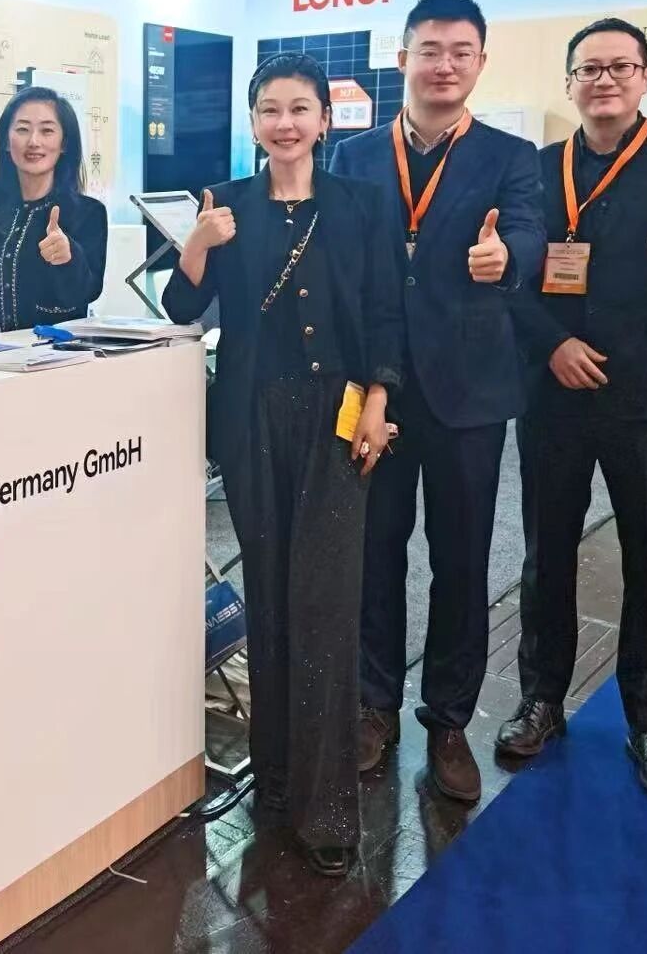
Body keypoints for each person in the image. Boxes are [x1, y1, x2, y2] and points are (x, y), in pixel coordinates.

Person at [163, 53, 404, 877]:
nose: (285, 123)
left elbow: (385, 310)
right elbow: (182, 306)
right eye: (270, 109)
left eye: (300, 108)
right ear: (254, 121)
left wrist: (379, 397)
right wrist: (198, 244)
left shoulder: (361, 203)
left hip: (335, 417)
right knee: (267, 596)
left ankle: (327, 808)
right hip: (251, 419)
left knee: (325, 603)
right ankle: (274, 783)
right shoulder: (224, 202)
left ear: (323, 120)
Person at [500, 17, 647, 800]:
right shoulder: (534, 170)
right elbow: (509, 278)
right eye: (589, 68)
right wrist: (551, 346)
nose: (604, 80)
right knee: (546, 555)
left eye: (619, 67)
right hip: (554, 392)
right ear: (569, 82)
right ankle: (542, 697)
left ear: (644, 76)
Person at [327, 0, 545, 804]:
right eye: (430, 49)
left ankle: (449, 720)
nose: (444, 64)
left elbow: (529, 229)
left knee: (460, 559)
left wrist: (507, 256)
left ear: (480, 62)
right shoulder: (353, 156)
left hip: (469, 390)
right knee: (372, 553)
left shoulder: (510, 154)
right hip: (374, 388)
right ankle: (372, 704)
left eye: (461, 51)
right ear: (403, 58)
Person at [0, 86, 108, 335]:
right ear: (6, 141)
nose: (34, 142)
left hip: (56, 353)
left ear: (64, 143)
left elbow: (88, 292)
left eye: (47, 130)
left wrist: (69, 257)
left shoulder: (88, 213)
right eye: (22, 129)